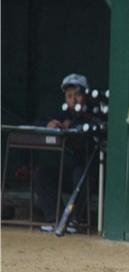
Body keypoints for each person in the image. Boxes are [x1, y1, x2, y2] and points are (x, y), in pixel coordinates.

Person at [32, 73, 91, 232]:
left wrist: (73, 126)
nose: (73, 100)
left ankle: (73, 220)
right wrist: (49, 124)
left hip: (90, 174)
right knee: (41, 173)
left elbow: (92, 127)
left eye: (78, 95)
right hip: (67, 173)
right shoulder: (63, 114)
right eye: (69, 96)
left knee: (81, 172)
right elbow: (38, 122)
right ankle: (55, 218)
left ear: (85, 96)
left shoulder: (93, 113)